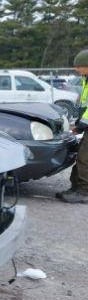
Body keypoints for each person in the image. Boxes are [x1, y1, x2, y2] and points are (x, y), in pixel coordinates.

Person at [58, 49, 88, 203]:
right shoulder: (86, 79)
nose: (76, 69)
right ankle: (75, 187)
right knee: (81, 157)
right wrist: (78, 124)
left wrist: (81, 125)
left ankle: (84, 192)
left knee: (84, 158)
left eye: (79, 66)